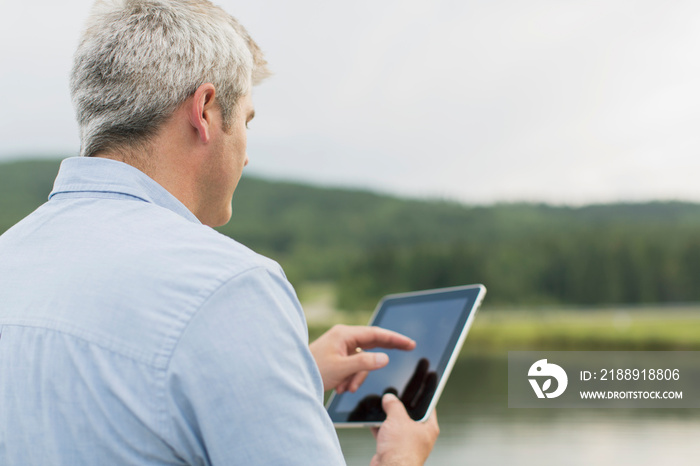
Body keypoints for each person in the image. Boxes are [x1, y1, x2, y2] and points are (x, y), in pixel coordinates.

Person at [0, 0, 439, 464]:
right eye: (246, 120)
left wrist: (284, 371)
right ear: (205, 111)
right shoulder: (229, 288)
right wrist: (401, 459)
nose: (246, 156)